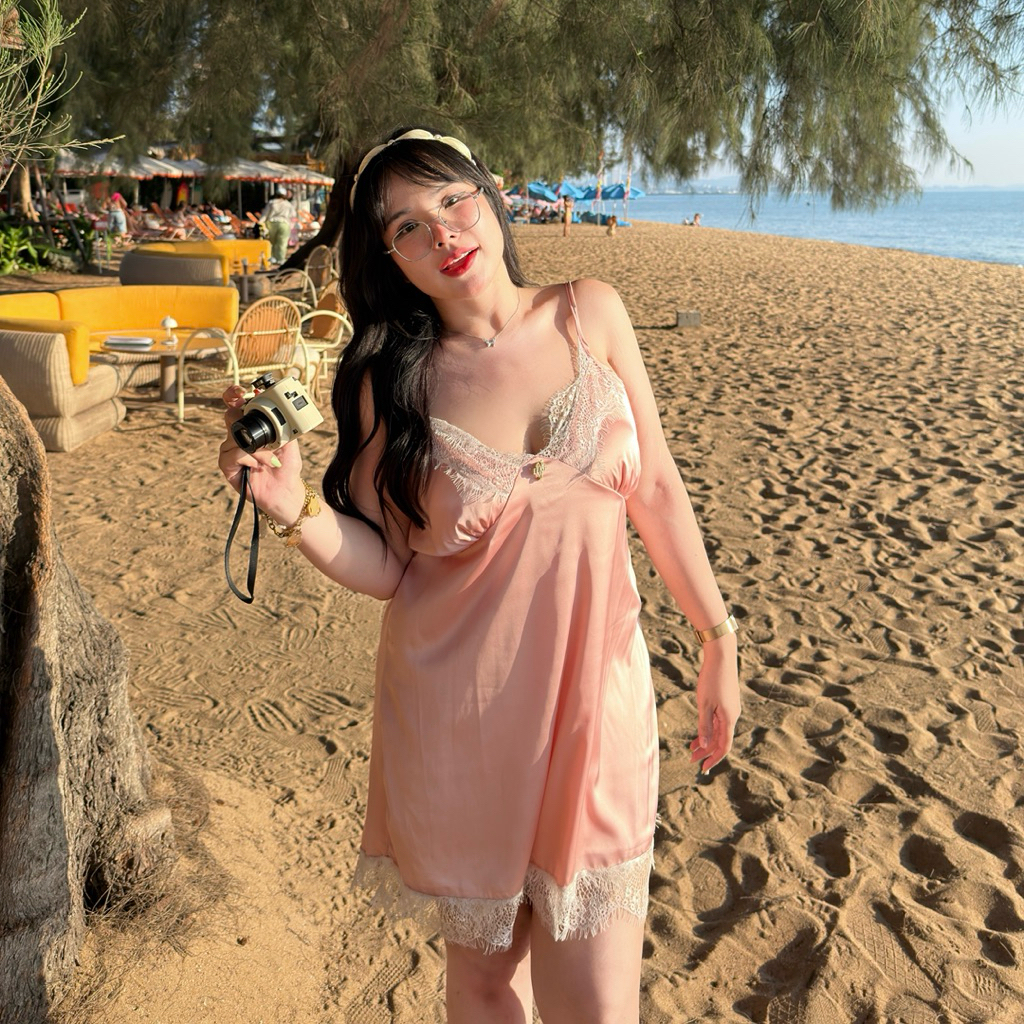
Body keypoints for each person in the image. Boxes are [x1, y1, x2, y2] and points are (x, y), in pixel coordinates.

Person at [217, 126, 740, 1023]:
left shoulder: (591, 311)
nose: (443, 232)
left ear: (491, 196)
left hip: (599, 702)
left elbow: (655, 487)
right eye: (407, 227)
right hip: (461, 715)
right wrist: (292, 505)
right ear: (390, 258)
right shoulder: (393, 382)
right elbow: (390, 567)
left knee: (596, 1002)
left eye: (453, 200)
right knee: (489, 984)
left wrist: (716, 635)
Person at [260, 185, 296, 264]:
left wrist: (260, 222)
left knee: (271, 242)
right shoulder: (288, 204)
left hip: (271, 223)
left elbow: (265, 214)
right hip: (284, 224)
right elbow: (293, 215)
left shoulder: (271, 203)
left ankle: (272, 258)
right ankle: (280, 259)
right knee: (282, 243)